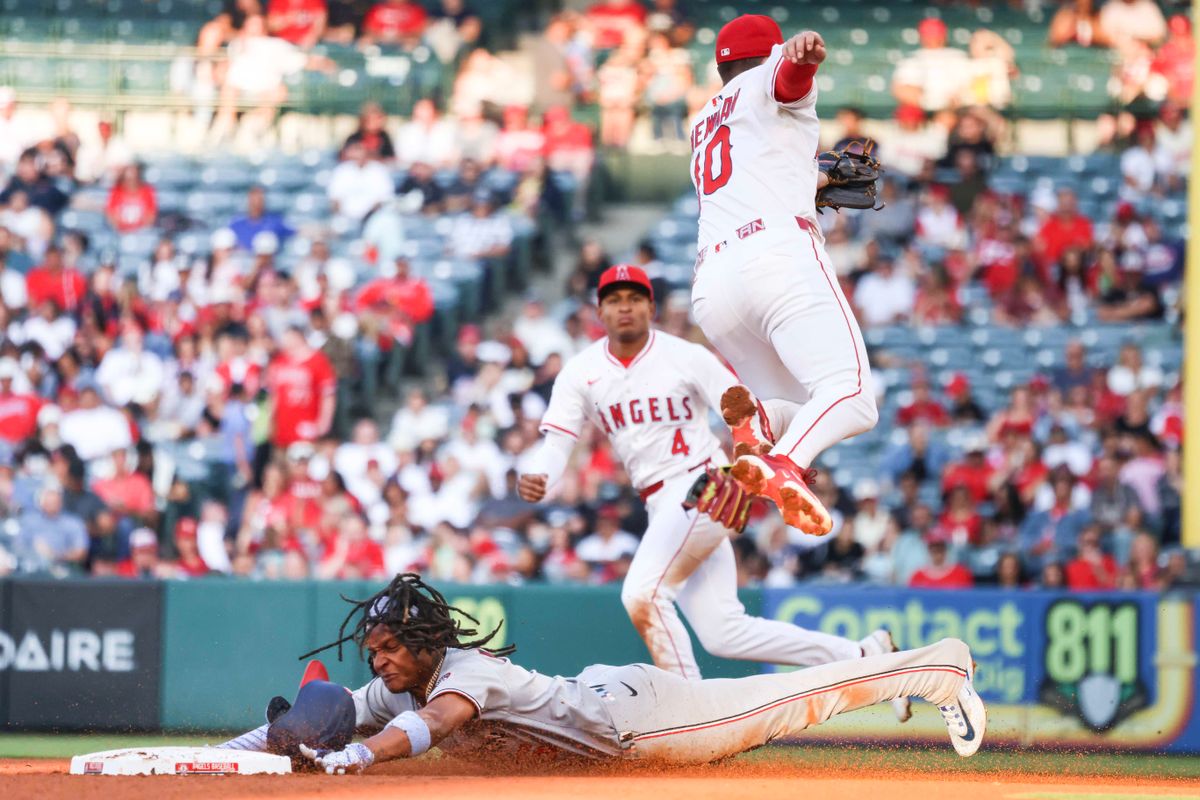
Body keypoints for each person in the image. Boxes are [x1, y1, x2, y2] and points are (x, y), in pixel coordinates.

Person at [517, 264, 910, 722]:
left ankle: (690, 717)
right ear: (599, 310)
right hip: (660, 504)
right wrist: (540, 473)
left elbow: (748, 410)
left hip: (706, 486)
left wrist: (788, 455)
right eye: (615, 299)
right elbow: (558, 441)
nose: (625, 306)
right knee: (724, 631)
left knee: (642, 594)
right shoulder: (581, 371)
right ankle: (861, 654)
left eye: (634, 298)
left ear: (652, 307)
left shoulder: (685, 356)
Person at [218, 574, 985, 771]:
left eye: (389, 648)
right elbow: (315, 722)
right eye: (375, 650)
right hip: (601, 700)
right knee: (766, 712)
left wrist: (356, 756)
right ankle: (873, 656)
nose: (379, 662)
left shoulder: (461, 671)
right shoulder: (393, 688)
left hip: (639, 723)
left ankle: (939, 666)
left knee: (783, 705)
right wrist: (227, 755)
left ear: (422, 642)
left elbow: (435, 725)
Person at [687, 17, 878, 535]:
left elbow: (761, 167)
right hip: (775, 257)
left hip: (714, 286)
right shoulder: (770, 76)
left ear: (721, 66)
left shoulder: (703, 120)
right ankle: (784, 465)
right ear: (766, 52)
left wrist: (814, 179)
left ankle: (762, 425)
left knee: (804, 405)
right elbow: (785, 81)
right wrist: (798, 58)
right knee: (853, 396)